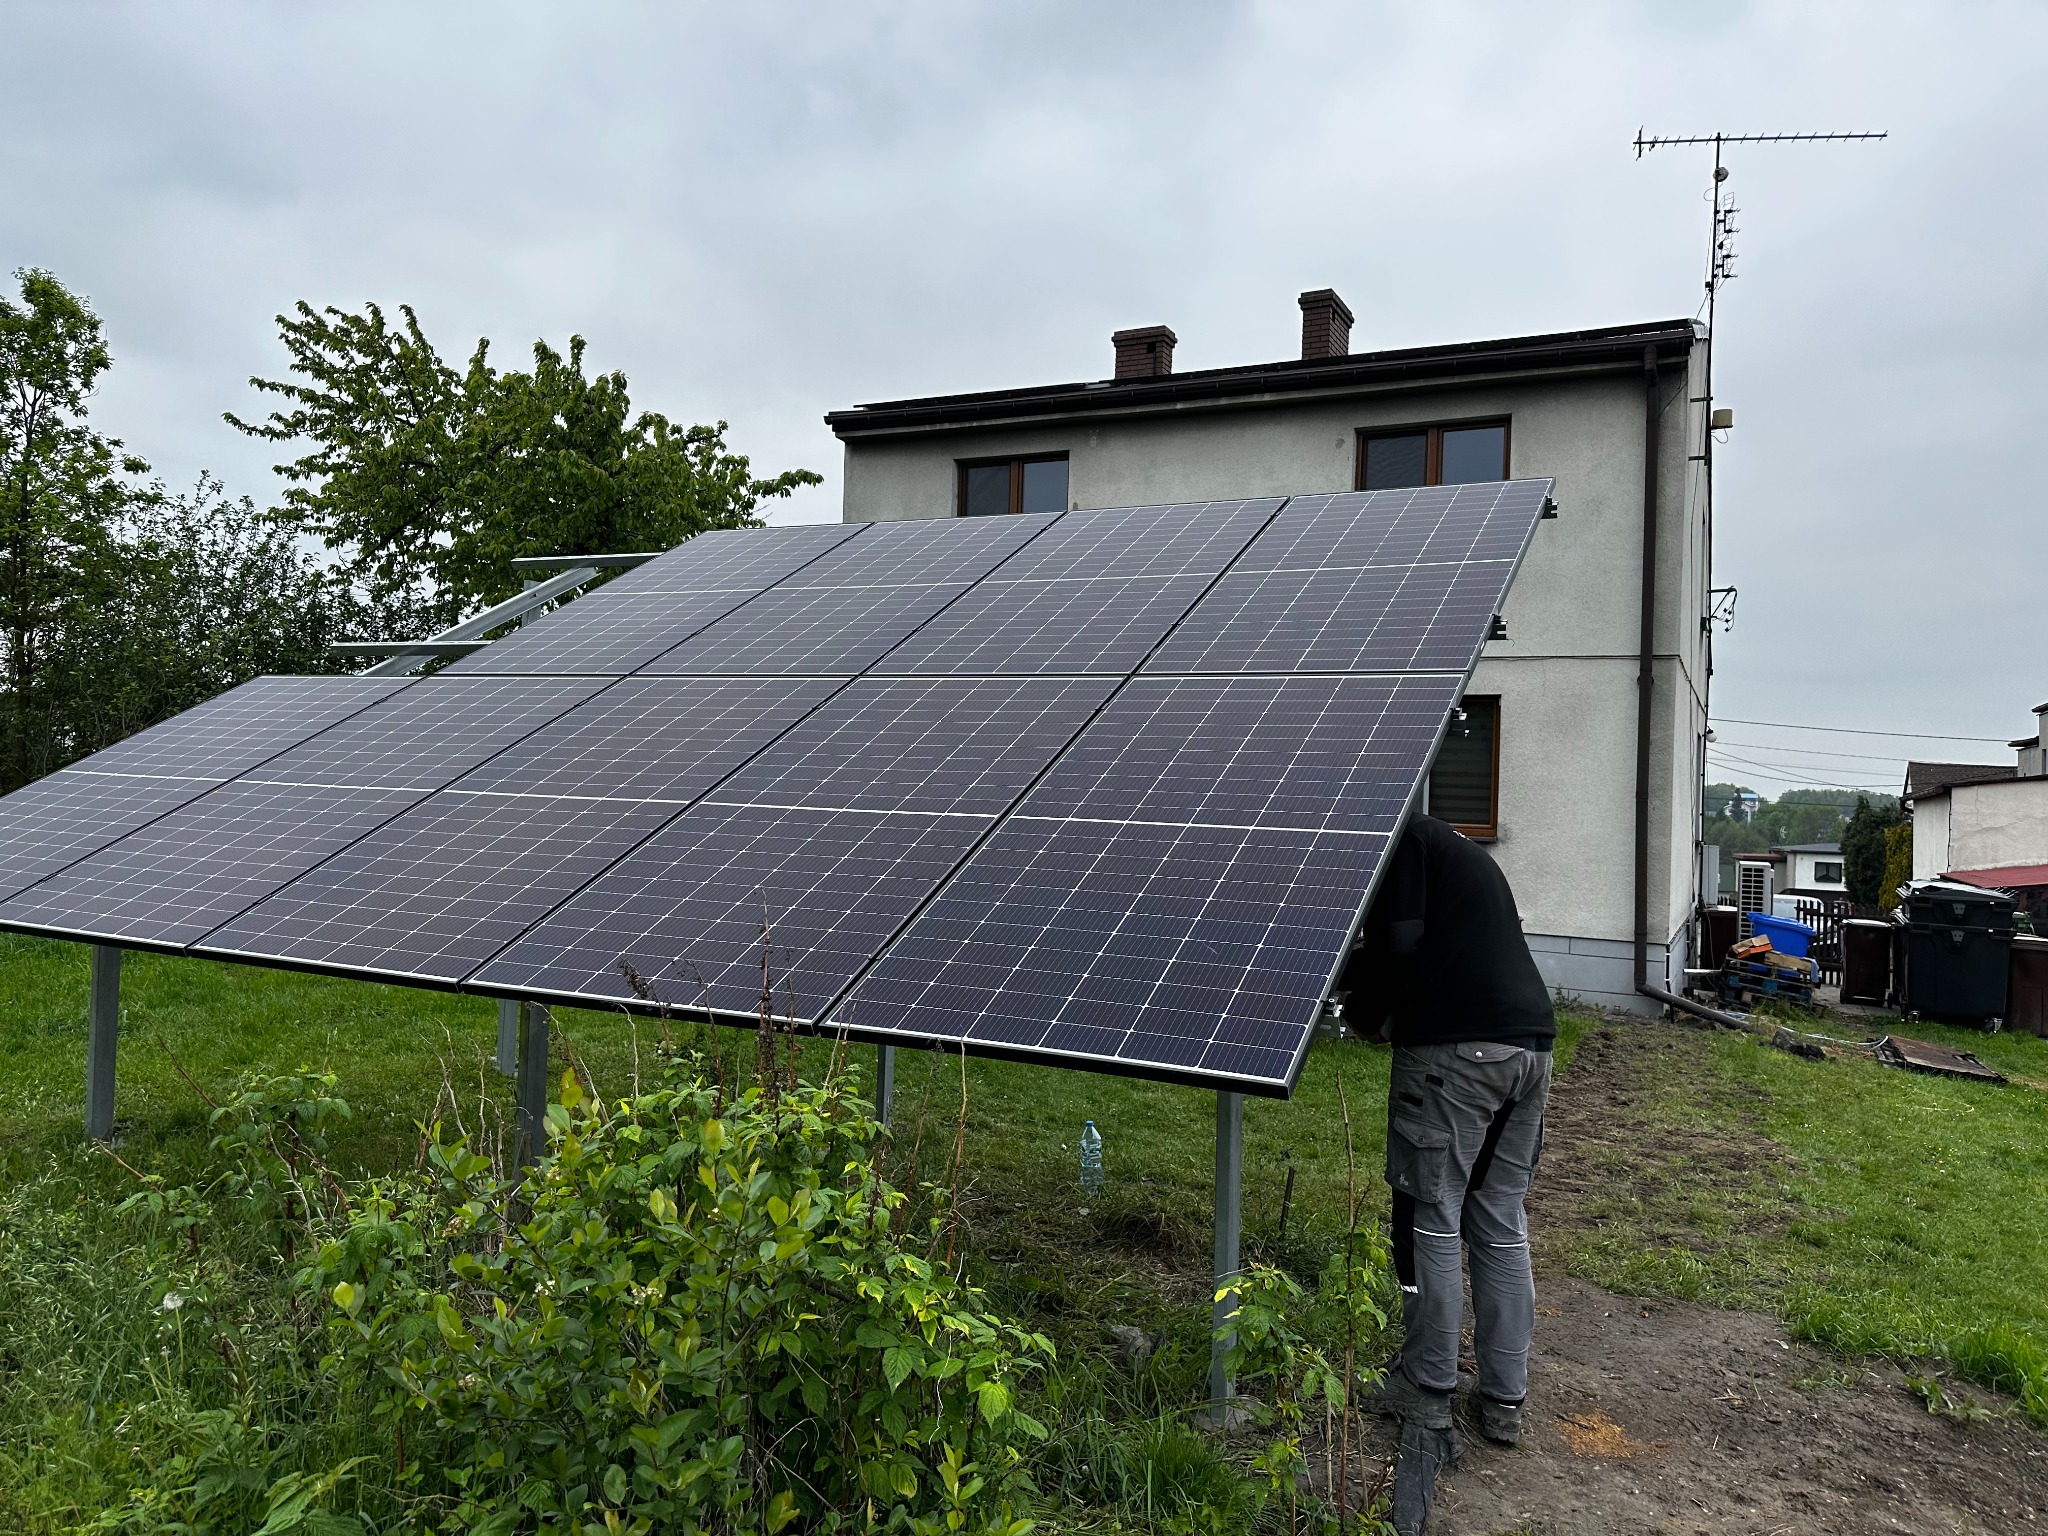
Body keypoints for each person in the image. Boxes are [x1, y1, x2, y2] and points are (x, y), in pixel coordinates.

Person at [1341, 813, 1555, 1535]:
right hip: (1529, 1046)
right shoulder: (1451, 849)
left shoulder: (1399, 838)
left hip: (1457, 1051)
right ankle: (1503, 1400)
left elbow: (1397, 944)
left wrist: (1367, 1013)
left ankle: (1426, 1387)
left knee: (1430, 1213)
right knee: (1498, 1222)